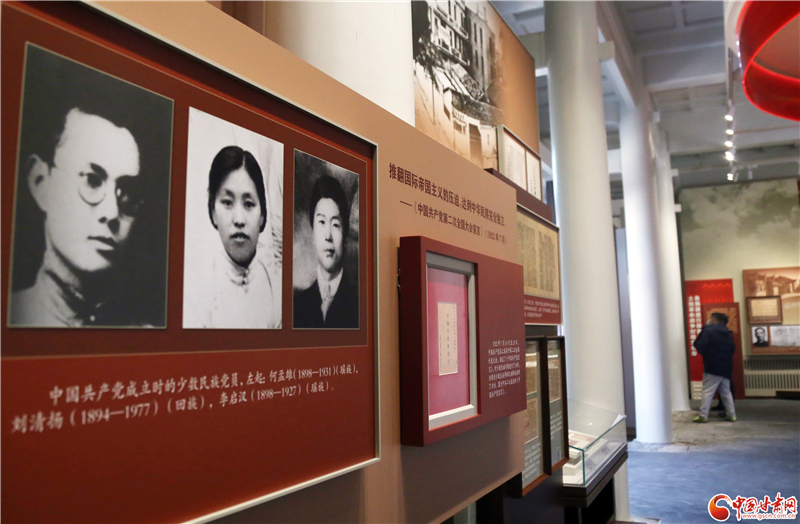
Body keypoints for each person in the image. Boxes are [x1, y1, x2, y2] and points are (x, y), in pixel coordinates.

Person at [9, 45, 172, 327]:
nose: (111, 213)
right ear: (40, 182)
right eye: (93, 181)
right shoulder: (15, 316)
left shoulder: (145, 335)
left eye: (126, 193)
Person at [189, 146, 280, 329]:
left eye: (249, 204)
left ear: (262, 215)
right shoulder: (197, 294)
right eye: (227, 203)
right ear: (213, 212)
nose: (239, 220)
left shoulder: (276, 289)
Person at [293, 175, 358, 328]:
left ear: (345, 236)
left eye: (335, 225)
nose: (328, 236)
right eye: (321, 222)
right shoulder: (298, 305)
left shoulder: (359, 304)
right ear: (313, 232)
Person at [693, 312, 737, 423]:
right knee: (726, 392)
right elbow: (732, 349)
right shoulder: (728, 332)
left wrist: (708, 354)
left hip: (712, 365)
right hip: (726, 366)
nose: (709, 320)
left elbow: (700, 345)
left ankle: (703, 415)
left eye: (710, 318)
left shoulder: (708, 331)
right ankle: (731, 415)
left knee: (707, 391)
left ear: (715, 320)